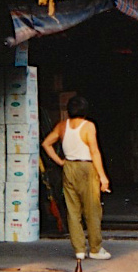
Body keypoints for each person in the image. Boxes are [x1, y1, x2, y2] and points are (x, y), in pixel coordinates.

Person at [42, 94, 111, 262]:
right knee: (92, 209)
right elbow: (94, 152)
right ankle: (95, 248)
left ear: (68, 111)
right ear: (85, 110)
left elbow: (46, 144)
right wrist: (103, 177)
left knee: (73, 211)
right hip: (86, 167)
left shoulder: (62, 126)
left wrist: (60, 161)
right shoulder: (88, 126)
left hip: (69, 167)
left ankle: (79, 250)